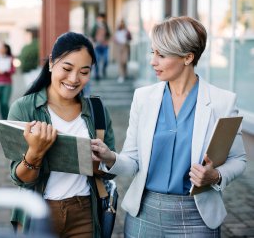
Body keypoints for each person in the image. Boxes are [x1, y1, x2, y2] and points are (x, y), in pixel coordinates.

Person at [91, 16, 247, 237]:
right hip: (143, 213)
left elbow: (238, 160)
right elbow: (132, 161)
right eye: (152, 52)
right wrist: (109, 157)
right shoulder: (143, 98)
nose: (153, 61)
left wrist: (216, 176)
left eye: (161, 55)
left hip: (196, 216)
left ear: (188, 57)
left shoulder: (222, 102)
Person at [8, 32, 116, 238]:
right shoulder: (25, 109)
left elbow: (108, 172)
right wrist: (35, 152)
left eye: (84, 72)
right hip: (38, 212)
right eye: (67, 68)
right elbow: (20, 178)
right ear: (51, 63)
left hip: (84, 211)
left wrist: (101, 161)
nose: (74, 79)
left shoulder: (97, 110)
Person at [0, 42, 16, 119]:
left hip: (7, 84)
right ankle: (3, 119)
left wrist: (6, 71)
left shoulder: (10, 58)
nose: (0, 49)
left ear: (6, 49)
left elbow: (13, 70)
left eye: (2, 48)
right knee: (0, 103)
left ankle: (8, 118)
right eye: (0, 48)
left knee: (5, 102)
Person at [91, 13, 111, 80]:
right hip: (97, 46)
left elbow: (109, 35)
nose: (101, 19)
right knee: (97, 60)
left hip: (104, 46)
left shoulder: (106, 26)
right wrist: (93, 43)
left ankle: (103, 69)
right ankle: (96, 75)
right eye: (100, 18)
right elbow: (91, 36)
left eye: (102, 18)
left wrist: (107, 41)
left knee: (106, 60)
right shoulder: (95, 26)